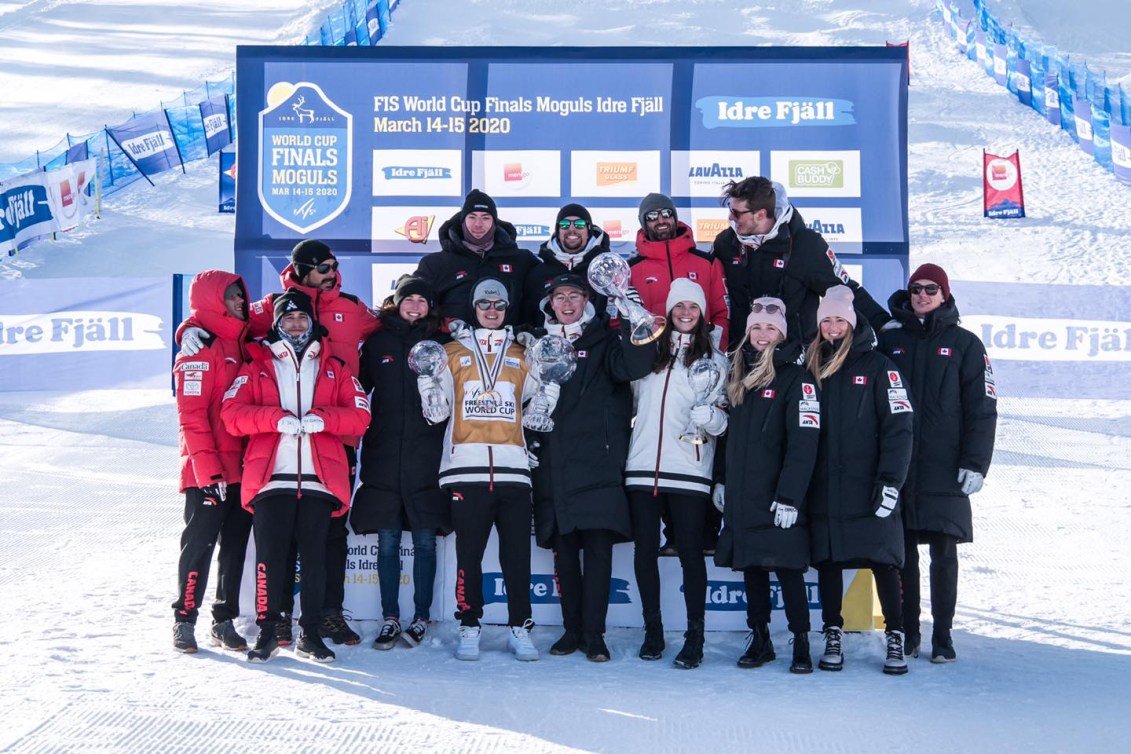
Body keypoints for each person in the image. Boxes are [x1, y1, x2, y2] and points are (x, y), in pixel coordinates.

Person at [181, 238, 379, 647]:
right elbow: (222, 319)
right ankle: (276, 618)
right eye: (324, 267)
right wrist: (190, 328)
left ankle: (326, 615)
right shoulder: (271, 305)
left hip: (334, 443)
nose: (332, 273)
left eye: (335, 266)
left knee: (328, 536)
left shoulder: (352, 306)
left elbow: (401, 322)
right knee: (272, 537)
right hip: (270, 451)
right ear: (303, 269)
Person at [221, 290, 371, 664]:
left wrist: (326, 418)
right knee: (270, 559)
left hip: (320, 480)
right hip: (272, 479)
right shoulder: (256, 365)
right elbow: (232, 413)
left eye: (302, 319)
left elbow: (361, 415)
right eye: (288, 319)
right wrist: (274, 418)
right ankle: (269, 631)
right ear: (276, 324)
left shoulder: (334, 366)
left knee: (317, 560)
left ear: (311, 322)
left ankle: (311, 633)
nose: (296, 325)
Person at [418, 278, 555, 661]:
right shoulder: (450, 353)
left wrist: (545, 396)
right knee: (469, 555)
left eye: (498, 305)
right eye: (484, 305)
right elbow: (437, 413)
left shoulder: (524, 354)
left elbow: (537, 410)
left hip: (513, 470)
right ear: (474, 309)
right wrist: (425, 382)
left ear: (506, 308)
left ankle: (519, 626)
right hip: (467, 470)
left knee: (517, 557)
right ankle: (469, 624)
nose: (491, 311)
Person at [526, 274, 654, 661]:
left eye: (575, 296)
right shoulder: (536, 345)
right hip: (554, 464)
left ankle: (594, 635)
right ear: (550, 303)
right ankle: (571, 631)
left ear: (587, 301)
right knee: (564, 555)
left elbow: (635, 366)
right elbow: (527, 400)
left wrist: (632, 318)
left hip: (598, 464)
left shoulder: (606, 339)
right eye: (559, 295)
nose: (566, 303)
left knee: (598, 554)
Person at [880, 264, 998, 663]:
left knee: (944, 551)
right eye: (916, 288)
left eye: (931, 289)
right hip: (903, 464)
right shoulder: (889, 340)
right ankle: (910, 633)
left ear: (945, 294)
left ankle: (943, 637)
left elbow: (983, 408)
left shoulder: (966, 344)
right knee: (905, 552)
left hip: (946, 466)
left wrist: (975, 463)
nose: (922, 295)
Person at [804, 285, 913, 676]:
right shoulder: (809, 364)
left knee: (883, 559)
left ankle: (895, 634)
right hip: (824, 485)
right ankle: (833, 630)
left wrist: (891, 482)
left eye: (839, 320)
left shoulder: (880, 366)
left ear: (852, 323)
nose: (832, 327)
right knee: (829, 559)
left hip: (870, 483)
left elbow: (900, 428)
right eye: (826, 320)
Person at [625, 278, 729, 669]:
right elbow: (629, 401)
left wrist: (714, 419)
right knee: (644, 552)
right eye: (679, 307)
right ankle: (653, 632)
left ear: (702, 314)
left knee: (689, 553)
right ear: (668, 312)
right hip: (641, 469)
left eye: (693, 308)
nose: (685, 314)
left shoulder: (716, 361)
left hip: (689, 470)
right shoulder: (649, 353)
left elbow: (725, 421)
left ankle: (694, 638)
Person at [715, 297, 821, 673]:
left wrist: (790, 496)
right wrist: (721, 481)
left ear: (783, 334)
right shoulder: (736, 374)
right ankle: (760, 638)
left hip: (779, 498)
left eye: (770, 328)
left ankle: (801, 641)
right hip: (744, 495)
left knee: (788, 569)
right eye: (756, 327)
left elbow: (805, 443)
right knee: (753, 570)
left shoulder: (797, 378)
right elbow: (727, 439)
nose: (762, 335)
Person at [351, 276, 452, 650]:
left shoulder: (444, 344)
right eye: (408, 299)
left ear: (431, 307)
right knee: (388, 541)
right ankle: (390, 617)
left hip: (428, 455)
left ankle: (421, 617)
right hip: (384, 454)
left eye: (422, 301)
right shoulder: (378, 342)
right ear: (397, 303)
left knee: (426, 541)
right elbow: (358, 389)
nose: (415, 306)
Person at [171, 270, 254, 654]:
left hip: (243, 469)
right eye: (234, 296)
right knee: (200, 545)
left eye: (242, 295)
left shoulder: (242, 339)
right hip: (207, 473)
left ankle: (224, 620)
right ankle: (184, 619)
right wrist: (209, 473)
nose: (241, 301)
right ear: (214, 300)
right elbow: (191, 417)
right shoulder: (198, 349)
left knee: (235, 548)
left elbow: (279, 310)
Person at [712, 177, 889, 350]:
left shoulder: (806, 245)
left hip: (794, 358)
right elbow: (706, 283)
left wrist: (885, 324)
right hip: (743, 355)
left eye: (736, 213)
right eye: (730, 208)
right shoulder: (726, 243)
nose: (730, 217)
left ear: (760, 215)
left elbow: (844, 291)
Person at [415, 189, 538, 327]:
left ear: (494, 222)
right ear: (462, 221)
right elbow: (411, 294)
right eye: (472, 217)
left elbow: (550, 288)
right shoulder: (435, 264)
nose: (478, 224)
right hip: (453, 345)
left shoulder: (521, 260)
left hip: (509, 345)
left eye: (485, 217)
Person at [629, 193, 730, 346]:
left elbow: (723, 313)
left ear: (674, 217)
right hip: (651, 359)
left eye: (666, 213)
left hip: (699, 355)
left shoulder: (708, 263)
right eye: (652, 216)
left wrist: (713, 349)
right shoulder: (631, 269)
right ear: (643, 223)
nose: (661, 220)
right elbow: (620, 320)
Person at [522, 203, 615, 326]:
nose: (572, 229)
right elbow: (528, 318)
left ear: (588, 231)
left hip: (595, 343)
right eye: (564, 224)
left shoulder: (606, 271)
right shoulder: (538, 274)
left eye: (579, 224)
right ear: (558, 231)